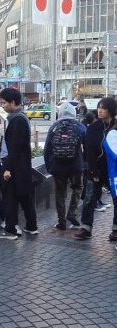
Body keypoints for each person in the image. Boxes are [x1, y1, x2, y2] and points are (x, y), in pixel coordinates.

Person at [0, 87, 38, 239]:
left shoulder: (17, 120)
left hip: (15, 167)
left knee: (11, 197)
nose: (3, 106)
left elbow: (15, 147)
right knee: (25, 196)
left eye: (4, 103)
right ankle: (31, 226)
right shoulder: (21, 117)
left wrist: (7, 168)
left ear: (13, 102)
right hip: (22, 166)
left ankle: (11, 228)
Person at [74, 97, 117, 240]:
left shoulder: (116, 127)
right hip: (96, 170)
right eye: (99, 107)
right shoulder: (93, 127)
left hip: (114, 170)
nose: (100, 110)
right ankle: (86, 228)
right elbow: (88, 151)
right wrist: (92, 170)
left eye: (103, 108)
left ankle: (115, 229)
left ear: (110, 110)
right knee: (89, 198)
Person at [43, 102, 86, 230]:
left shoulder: (54, 127)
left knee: (59, 192)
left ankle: (61, 221)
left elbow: (46, 150)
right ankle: (72, 212)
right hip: (76, 165)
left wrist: (49, 167)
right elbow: (89, 146)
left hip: (58, 166)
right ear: (74, 112)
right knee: (78, 187)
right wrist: (86, 164)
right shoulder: (80, 127)